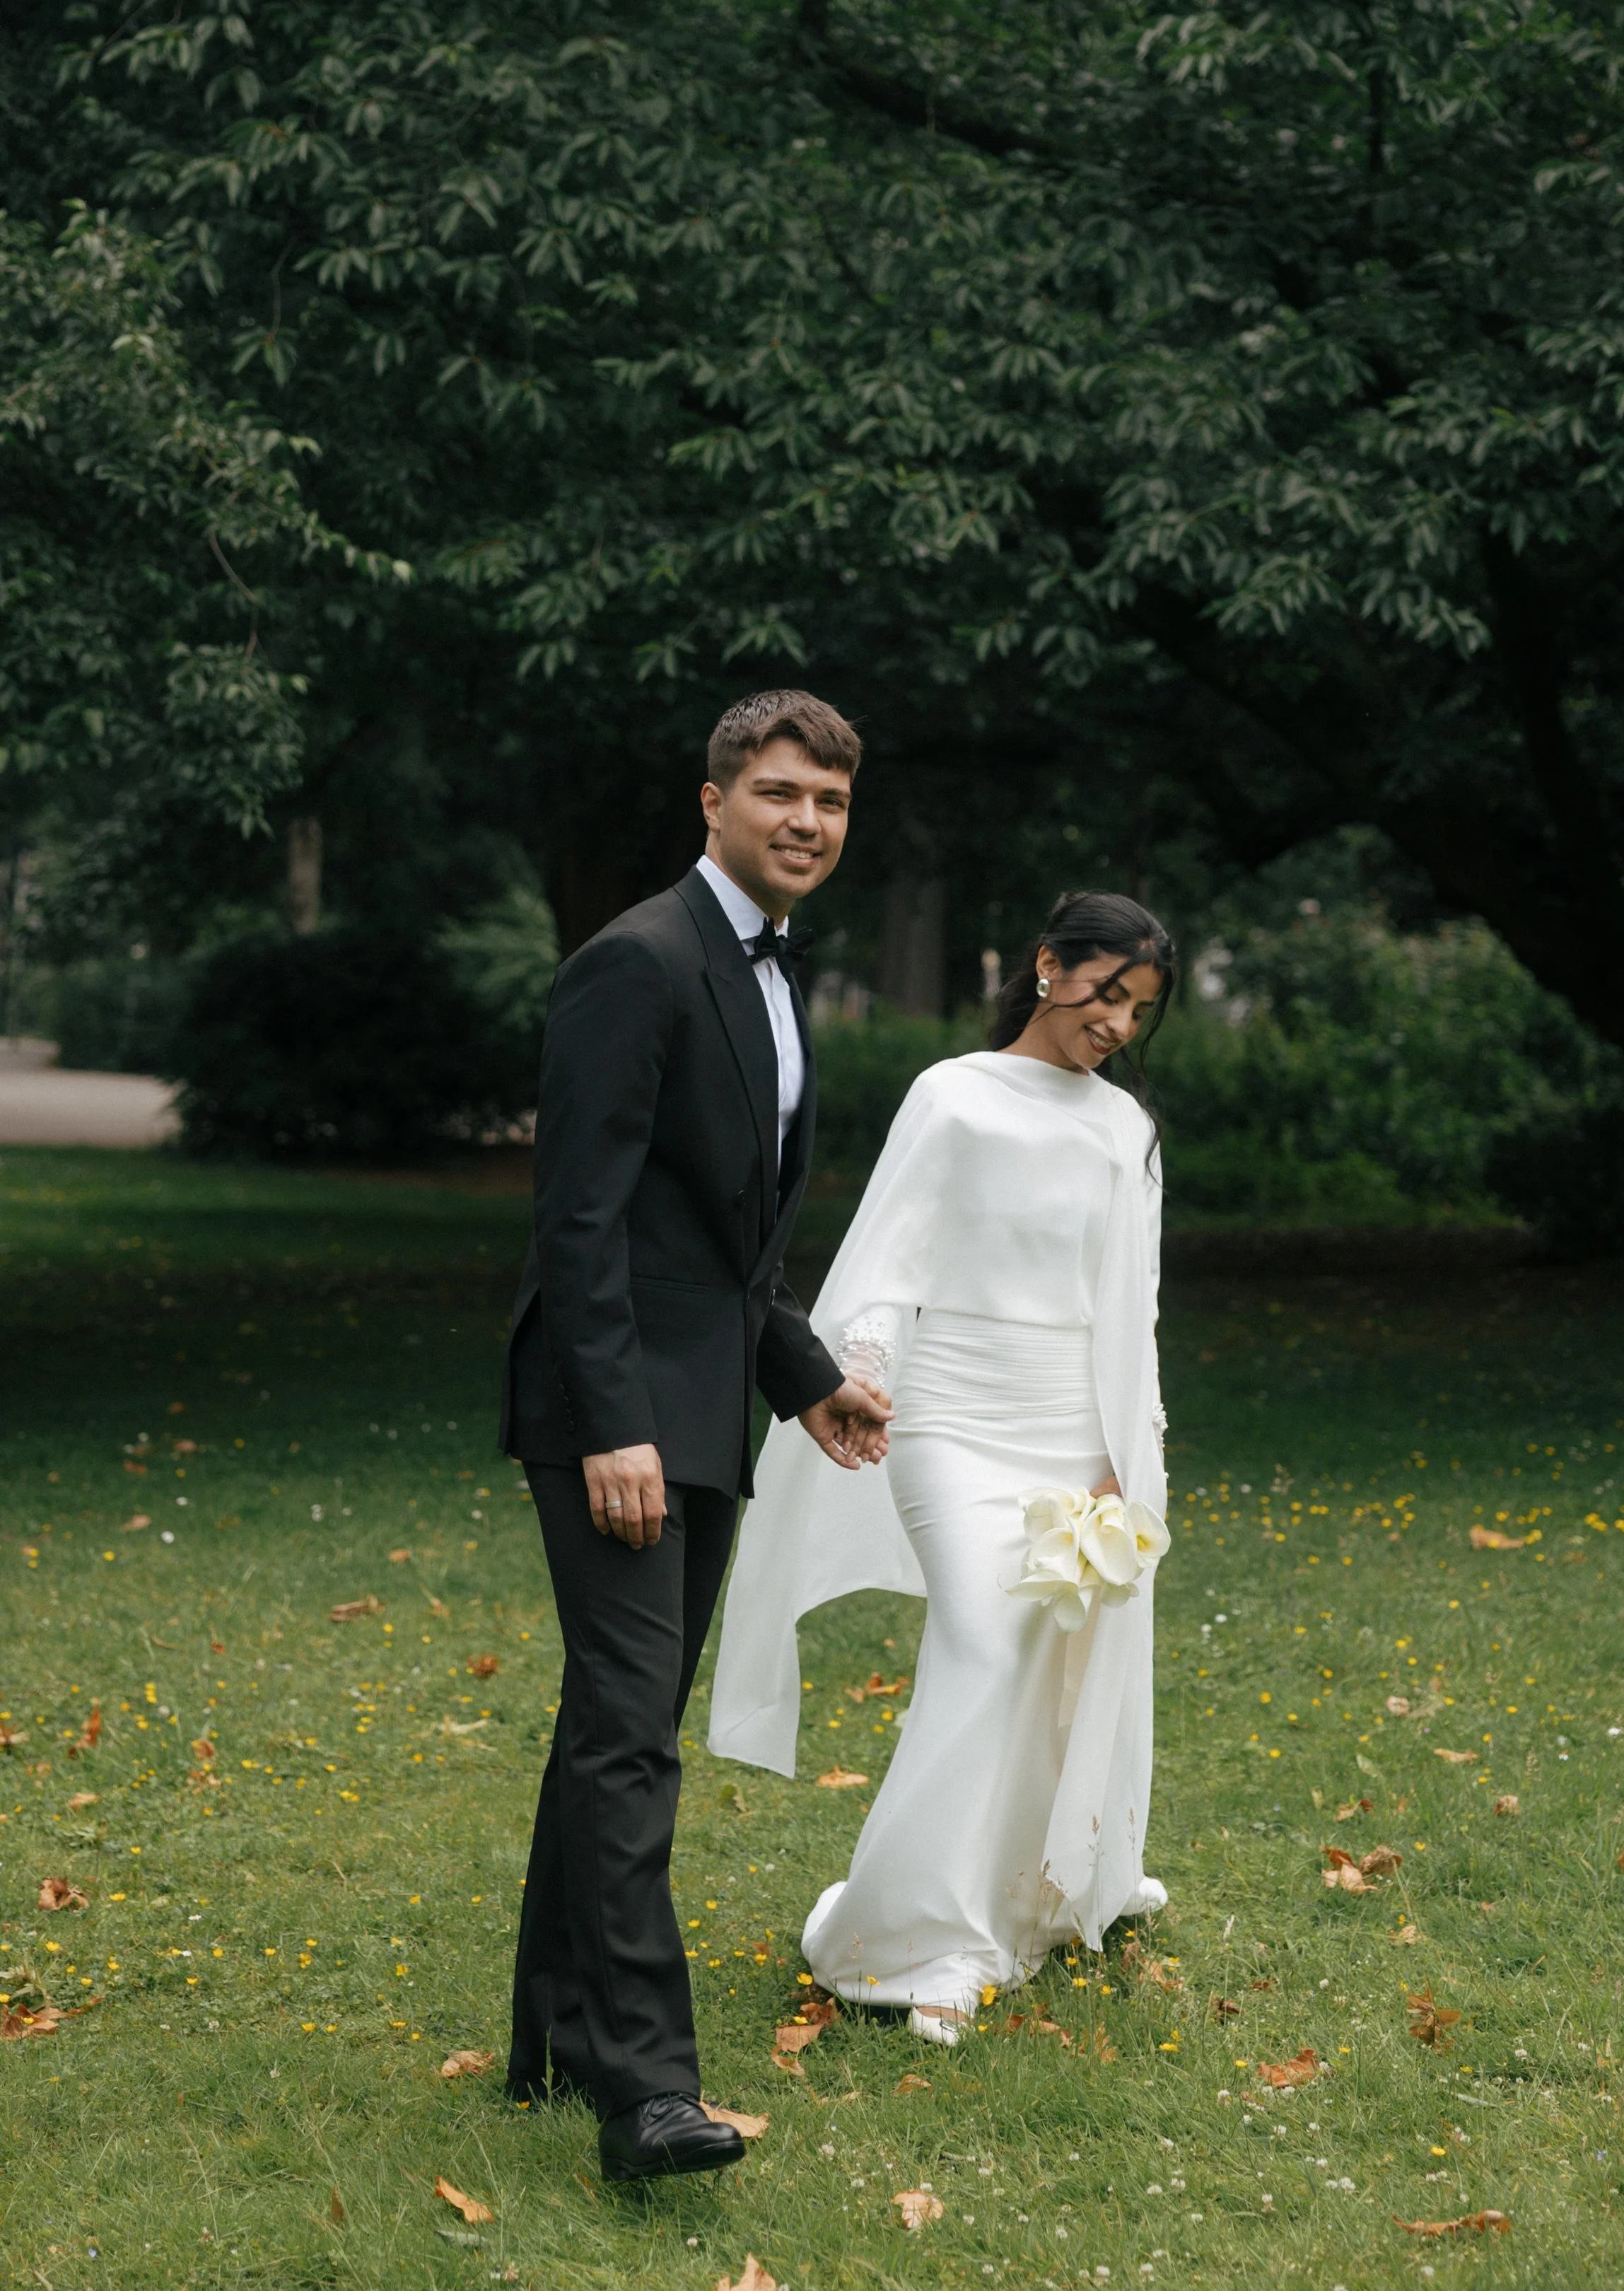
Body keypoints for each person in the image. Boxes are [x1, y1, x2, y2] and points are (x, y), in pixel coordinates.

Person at [499, 688, 893, 2179]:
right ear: (715, 801)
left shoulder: (769, 970)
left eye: (831, 802)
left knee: (620, 1729)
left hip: (708, 1405)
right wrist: (612, 1425)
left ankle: (553, 2035)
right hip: (612, 1413)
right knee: (626, 1737)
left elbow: (726, 1235)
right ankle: (647, 2091)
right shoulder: (638, 959)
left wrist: (803, 1372)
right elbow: (579, 1218)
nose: (808, 821)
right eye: (781, 792)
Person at [709, 890, 1175, 2045]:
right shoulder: (953, 1095)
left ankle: (1055, 1875)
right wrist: (861, 1373)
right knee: (979, 1638)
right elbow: (888, 1258)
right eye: (1106, 991)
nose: (1117, 1023)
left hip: (1072, 1428)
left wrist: (1126, 1454)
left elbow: (1137, 1306)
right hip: (952, 1420)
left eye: (1139, 1009)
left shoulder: (1127, 1129)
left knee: (1056, 1655)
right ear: (1048, 965)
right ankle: (917, 1940)